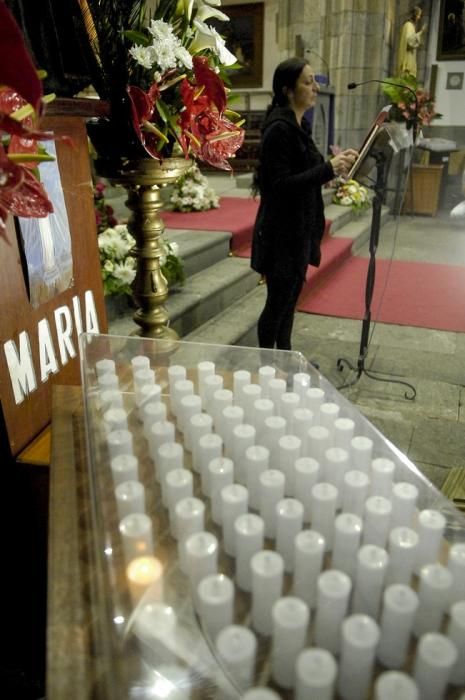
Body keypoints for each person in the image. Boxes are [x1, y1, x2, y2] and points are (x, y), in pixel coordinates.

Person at [250, 57, 357, 351]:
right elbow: (279, 186)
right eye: (308, 83)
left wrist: (337, 163)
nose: (315, 89)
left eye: (315, 82)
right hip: (282, 234)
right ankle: (266, 368)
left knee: (288, 304)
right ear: (287, 90)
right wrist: (328, 169)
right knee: (277, 305)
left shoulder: (299, 125)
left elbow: (306, 171)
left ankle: (283, 363)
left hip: (298, 230)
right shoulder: (279, 130)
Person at [397, 5, 427, 76]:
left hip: (410, 58)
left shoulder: (410, 26)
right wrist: (421, 32)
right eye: (418, 15)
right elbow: (410, 42)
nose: (419, 18)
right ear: (414, 15)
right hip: (407, 59)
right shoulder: (408, 25)